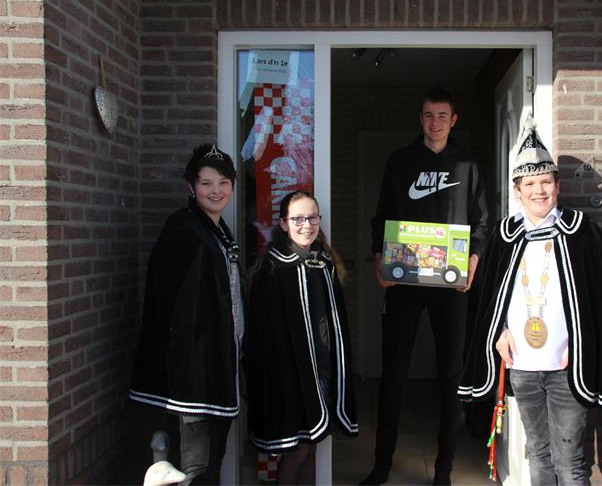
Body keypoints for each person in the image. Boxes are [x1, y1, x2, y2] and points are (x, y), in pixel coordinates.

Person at [458, 118, 602, 485]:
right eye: (529, 184)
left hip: (566, 367)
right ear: (517, 191)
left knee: (570, 461)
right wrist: (499, 331)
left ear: (557, 186)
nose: (538, 191)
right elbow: (488, 298)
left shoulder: (580, 232)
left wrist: (583, 343)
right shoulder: (505, 236)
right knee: (538, 454)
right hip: (522, 366)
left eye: (545, 182)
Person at [363, 89, 488, 485]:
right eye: (429, 115)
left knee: (450, 376)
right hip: (405, 281)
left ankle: (444, 471)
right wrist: (379, 258)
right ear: (420, 119)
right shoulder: (400, 162)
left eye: (442, 115)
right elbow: (382, 217)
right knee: (394, 374)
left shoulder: (467, 165)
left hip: (450, 286)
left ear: (454, 120)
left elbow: (482, 223)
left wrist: (473, 260)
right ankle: (381, 466)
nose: (435, 122)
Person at [130, 144, 245, 485]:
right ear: (191, 187)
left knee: (210, 464)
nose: (216, 190)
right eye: (207, 183)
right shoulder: (185, 230)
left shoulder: (215, 231)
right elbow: (176, 310)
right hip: (193, 384)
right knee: (197, 471)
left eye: (223, 183)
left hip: (214, 374)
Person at [244, 190, 359, 485]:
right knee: (298, 450)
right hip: (290, 375)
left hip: (321, 370)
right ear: (284, 223)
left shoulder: (324, 262)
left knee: (311, 447)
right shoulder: (273, 267)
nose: (306, 225)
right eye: (297, 219)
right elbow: (266, 335)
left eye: (312, 218)